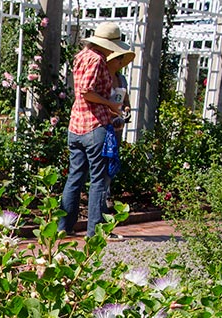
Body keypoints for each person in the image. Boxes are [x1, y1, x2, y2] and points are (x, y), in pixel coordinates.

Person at [57, 22, 130, 239]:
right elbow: (86, 91)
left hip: (76, 125)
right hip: (94, 125)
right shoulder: (97, 59)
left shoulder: (81, 56)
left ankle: (64, 227)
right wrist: (110, 104)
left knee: (75, 177)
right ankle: (95, 231)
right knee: (98, 178)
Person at [105, 49, 136, 211]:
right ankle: (103, 196)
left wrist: (126, 109)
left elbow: (125, 100)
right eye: (118, 59)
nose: (120, 63)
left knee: (113, 158)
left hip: (117, 125)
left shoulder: (121, 79)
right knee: (103, 158)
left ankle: (107, 192)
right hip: (103, 125)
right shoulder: (104, 79)